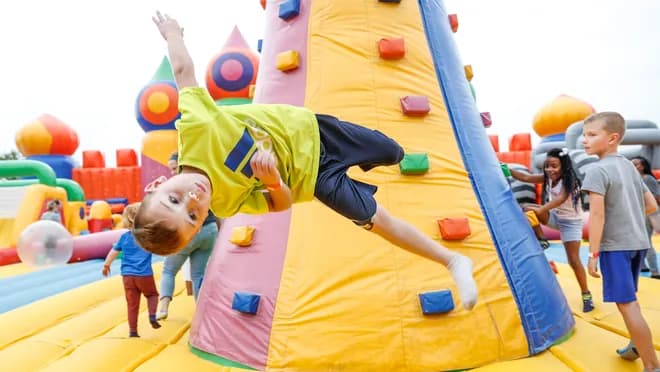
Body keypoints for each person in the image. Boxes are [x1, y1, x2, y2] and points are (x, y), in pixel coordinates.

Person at [132, 11, 478, 311]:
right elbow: (278, 204)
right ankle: (451, 261)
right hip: (315, 179)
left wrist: (174, 34)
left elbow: (182, 70)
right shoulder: (223, 201)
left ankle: (391, 160)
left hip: (316, 131)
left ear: (160, 183)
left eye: (174, 199)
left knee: (392, 152)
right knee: (375, 219)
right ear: (204, 220)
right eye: (193, 216)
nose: (193, 199)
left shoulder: (195, 129)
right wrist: (272, 182)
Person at [581, 112, 659, 371]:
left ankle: (651, 364)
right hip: (638, 242)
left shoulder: (597, 170)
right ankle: (635, 344)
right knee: (630, 299)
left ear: (613, 138)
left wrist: (593, 254)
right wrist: (629, 217)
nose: (584, 140)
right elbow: (649, 205)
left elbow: (597, 214)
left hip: (616, 247)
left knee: (627, 304)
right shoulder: (628, 165)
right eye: (584, 135)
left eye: (592, 135)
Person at [509, 148, 593, 312]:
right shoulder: (547, 178)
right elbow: (526, 177)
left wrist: (541, 210)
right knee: (527, 208)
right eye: (547, 166)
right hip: (555, 217)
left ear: (563, 166)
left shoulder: (570, 181)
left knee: (574, 261)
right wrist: (505, 169)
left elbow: (560, 198)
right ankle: (542, 239)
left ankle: (586, 295)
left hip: (571, 223)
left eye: (554, 166)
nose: (550, 170)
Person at [156, 152, 219, 320]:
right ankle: (202, 312)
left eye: (175, 168)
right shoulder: (205, 181)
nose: (172, 173)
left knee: (169, 270)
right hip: (209, 231)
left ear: (183, 166)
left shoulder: (178, 185)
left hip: (189, 232)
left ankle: (163, 307)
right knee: (198, 274)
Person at [102, 203, 161, 337]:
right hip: (144, 275)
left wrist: (106, 265)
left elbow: (113, 252)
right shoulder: (147, 236)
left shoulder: (124, 237)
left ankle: (133, 331)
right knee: (152, 295)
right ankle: (152, 316)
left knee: (132, 305)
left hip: (127, 276)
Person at [631, 156, 660, 279]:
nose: (632, 166)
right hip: (641, 213)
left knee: (646, 242)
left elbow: (657, 197)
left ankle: (655, 272)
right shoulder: (635, 179)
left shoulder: (647, 178)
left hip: (648, 213)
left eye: (635, 164)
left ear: (642, 166)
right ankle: (643, 266)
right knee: (640, 241)